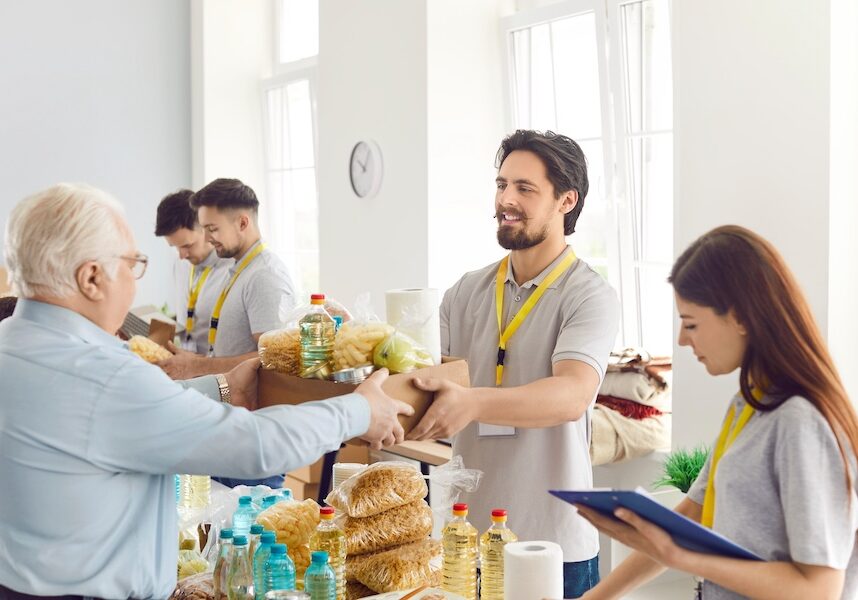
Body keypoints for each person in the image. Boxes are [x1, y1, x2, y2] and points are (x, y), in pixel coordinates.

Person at [0, 183, 413, 599]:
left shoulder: (11, 344)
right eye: (132, 264)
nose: (135, 281)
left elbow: (125, 418)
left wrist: (222, 387)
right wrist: (358, 410)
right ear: (91, 277)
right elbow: (257, 445)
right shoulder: (103, 375)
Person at [577, 225, 858, 600]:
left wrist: (684, 558)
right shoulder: (747, 406)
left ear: (741, 317)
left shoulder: (799, 420)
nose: (682, 340)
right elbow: (687, 520)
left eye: (691, 323)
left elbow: (819, 589)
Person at [408, 129, 620, 598]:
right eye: (502, 185)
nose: (506, 199)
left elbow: (572, 395)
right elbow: (418, 373)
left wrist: (474, 403)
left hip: (554, 548)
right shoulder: (466, 291)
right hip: (467, 541)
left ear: (567, 200)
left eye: (525, 189)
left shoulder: (589, 295)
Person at [158, 178, 296, 379]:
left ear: (242, 223)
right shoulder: (239, 268)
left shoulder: (265, 275)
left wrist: (198, 366)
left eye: (212, 229)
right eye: (204, 229)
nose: (206, 238)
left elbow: (276, 359)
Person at [155, 188, 231, 355]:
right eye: (175, 247)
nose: (181, 255)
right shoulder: (181, 262)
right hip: (185, 368)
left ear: (207, 229)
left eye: (187, 246)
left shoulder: (233, 269)